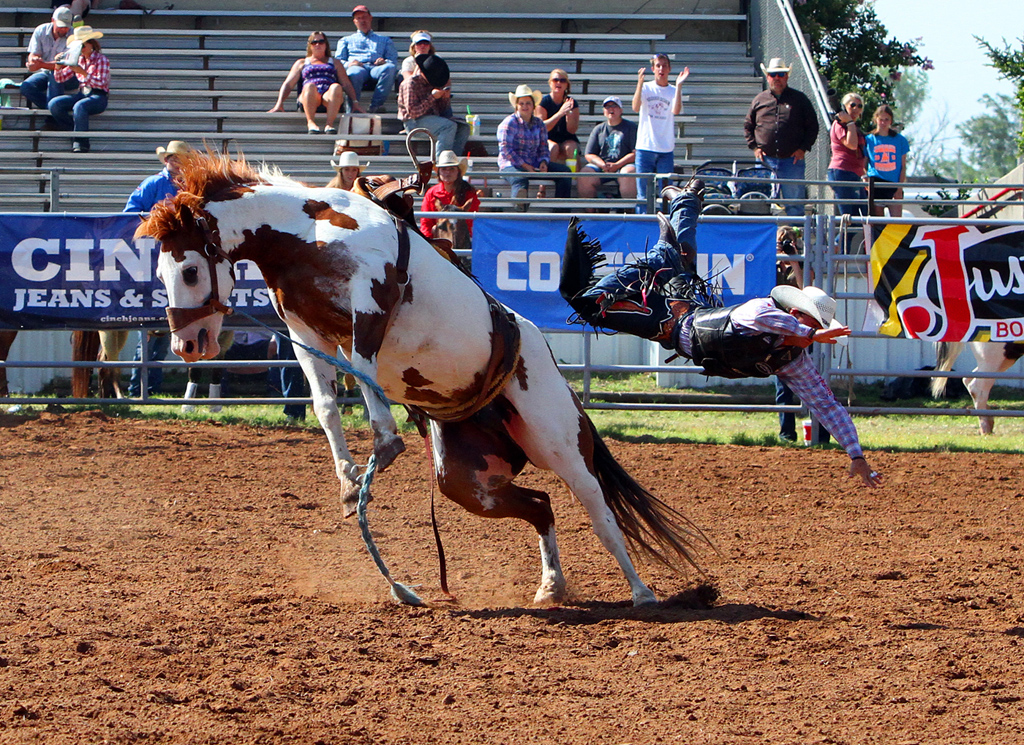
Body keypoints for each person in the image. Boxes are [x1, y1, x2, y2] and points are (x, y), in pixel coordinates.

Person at [560, 178, 882, 487]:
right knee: (601, 297)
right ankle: (670, 233)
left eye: (812, 329)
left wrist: (856, 454)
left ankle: (684, 206)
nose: (807, 333)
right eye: (809, 324)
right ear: (796, 314)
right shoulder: (764, 311)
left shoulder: (792, 361)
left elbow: (826, 405)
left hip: (677, 323)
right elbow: (765, 322)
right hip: (672, 317)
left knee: (679, 259)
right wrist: (809, 335)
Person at [124, 140, 192, 397]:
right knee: (152, 330)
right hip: (155, 257)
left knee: (161, 330)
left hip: (180, 260)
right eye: (172, 157)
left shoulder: (189, 185)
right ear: (166, 160)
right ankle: (139, 388)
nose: (175, 162)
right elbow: (130, 214)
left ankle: (145, 389)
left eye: (180, 158)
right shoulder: (154, 184)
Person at [744, 58, 819, 217]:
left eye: (781, 74)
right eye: (773, 74)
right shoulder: (759, 100)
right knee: (763, 203)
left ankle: (796, 239)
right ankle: (768, 240)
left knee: (795, 204)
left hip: (792, 161)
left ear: (787, 76)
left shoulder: (800, 99)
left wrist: (803, 148)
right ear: (767, 76)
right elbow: (748, 126)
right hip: (765, 160)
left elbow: (813, 126)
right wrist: (755, 148)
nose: (777, 78)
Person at [268, 31, 363, 135]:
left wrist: (355, 102)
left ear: (326, 44)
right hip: (309, 95)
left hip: (328, 96)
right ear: (310, 45)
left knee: (336, 87)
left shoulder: (335, 63)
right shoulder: (302, 63)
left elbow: (346, 84)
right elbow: (288, 84)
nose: (318, 44)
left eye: (321, 42)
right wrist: (279, 103)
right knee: (309, 86)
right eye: (314, 42)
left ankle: (329, 124)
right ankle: (311, 122)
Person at [497, 84, 572, 210]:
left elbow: (543, 146)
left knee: (565, 173)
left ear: (533, 106)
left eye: (528, 103)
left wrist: (543, 161)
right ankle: (519, 213)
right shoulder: (508, 123)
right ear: (516, 106)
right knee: (520, 180)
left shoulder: (539, 124)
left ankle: (561, 213)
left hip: (533, 163)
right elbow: (506, 150)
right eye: (522, 103)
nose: (525, 106)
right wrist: (525, 166)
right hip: (511, 165)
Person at [632, 53, 689, 213]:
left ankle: (668, 225)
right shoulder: (646, 87)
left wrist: (679, 86)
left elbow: (676, 110)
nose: (661, 69)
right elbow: (635, 107)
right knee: (643, 194)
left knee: (666, 193)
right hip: (645, 147)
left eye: (664, 65)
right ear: (653, 69)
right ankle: (643, 225)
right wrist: (639, 83)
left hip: (665, 149)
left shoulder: (672, 90)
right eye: (658, 66)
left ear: (669, 68)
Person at [49, 26, 108, 153]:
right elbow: (61, 79)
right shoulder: (77, 59)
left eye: (83, 45)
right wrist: (58, 67)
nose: (81, 49)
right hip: (83, 93)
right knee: (54, 104)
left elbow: (101, 83)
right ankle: (75, 133)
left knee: (80, 106)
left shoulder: (101, 59)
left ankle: (81, 142)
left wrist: (84, 73)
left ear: (91, 44)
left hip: (98, 96)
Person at [397, 53, 468, 156]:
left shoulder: (434, 83)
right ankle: (441, 161)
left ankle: (453, 159)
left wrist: (445, 98)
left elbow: (442, 109)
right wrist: (432, 97)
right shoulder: (410, 84)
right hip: (413, 122)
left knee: (464, 127)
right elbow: (413, 112)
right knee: (448, 126)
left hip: (433, 118)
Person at [335, 5, 399, 114]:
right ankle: (352, 109)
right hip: (358, 67)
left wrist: (384, 61)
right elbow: (338, 61)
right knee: (353, 72)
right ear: (354, 21)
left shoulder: (384, 39)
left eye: (364, 17)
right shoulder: (346, 40)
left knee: (390, 68)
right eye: (358, 18)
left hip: (376, 68)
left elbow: (392, 59)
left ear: (370, 18)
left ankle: (376, 105)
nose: (362, 20)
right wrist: (349, 64)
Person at [577, 95, 638, 205]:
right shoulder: (599, 129)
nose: (611, 109)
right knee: (584, 175)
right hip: (603, 165)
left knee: (628, 174)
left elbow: (636, 153)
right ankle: (590, 214)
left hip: (624, 164)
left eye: (614, 106)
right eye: (607, 107)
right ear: (604, 111)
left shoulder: (631, 127)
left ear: (621, 110)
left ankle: (630, 213)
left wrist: (618, 165)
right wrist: (602, 164)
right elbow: (589, 154)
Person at [20, 6, 77, 115]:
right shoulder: (40, 30)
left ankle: (52, 115)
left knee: (55, 74)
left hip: (70, 76)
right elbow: (33, 53)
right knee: (26, 87)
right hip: (46, 72)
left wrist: (40, 64)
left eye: (66, 27)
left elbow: (65, 65)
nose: (64, 29)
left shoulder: (74, 35)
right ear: (52, 21)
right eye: (61, 26)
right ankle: (54, 112)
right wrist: (33, 61)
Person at [828, 92, 868, 231]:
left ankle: (840, 246)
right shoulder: (839, 125)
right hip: (841, 172)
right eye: (852, 105)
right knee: (848, 221)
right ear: (845, 107)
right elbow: (851, 144)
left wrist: (864, 174)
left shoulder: (855, 129)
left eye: (859, 106)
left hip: (855, 175)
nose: (856, 109)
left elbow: (860, 154)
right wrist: (849, 122)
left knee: (861, 217)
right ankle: (838, 247)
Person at [419, 149, 480, 238]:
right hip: (437, 240)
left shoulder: (469, 192)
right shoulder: (431, 193)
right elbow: (426, 223)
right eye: (444, 169)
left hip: (462, 239)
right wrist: (429, 243)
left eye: (452, 169)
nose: (448, 173)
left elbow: (470, 223)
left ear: (458, 172)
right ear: (439, 172)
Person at [864, 104, 909, 218]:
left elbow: (903, 166)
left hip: (893, 183)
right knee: (878, 221)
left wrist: (899, 188)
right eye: (881, 119)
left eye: (886, 119)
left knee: (896, 221)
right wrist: (865, 179)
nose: (883, 123)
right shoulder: (869, 139)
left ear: (891, 121)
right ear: (876, 120)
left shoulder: (900, 140)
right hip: (877, 182)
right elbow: (864, 162)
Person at [536, 68, 580, 164]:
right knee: (553, 147)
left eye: (562, 80)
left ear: (567, 84)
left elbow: (572, 130)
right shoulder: (544, 102)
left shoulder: (572, 103)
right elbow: (542, 128)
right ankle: (549, 177)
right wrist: (560, 113)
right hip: (547, 138)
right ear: (550, 83)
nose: (559, 83)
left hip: (566, 139)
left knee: (571, 148)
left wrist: (569, 115)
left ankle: (573, 177)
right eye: (555, 80)